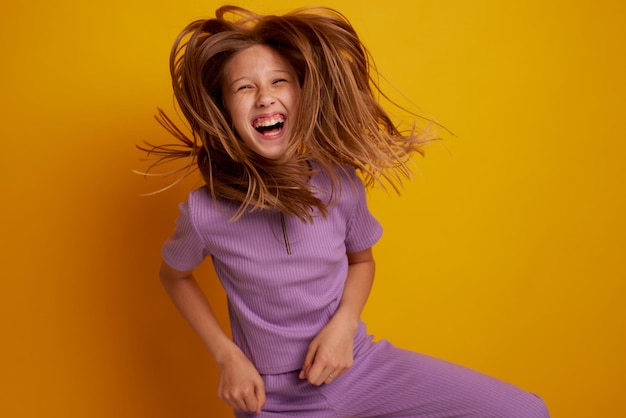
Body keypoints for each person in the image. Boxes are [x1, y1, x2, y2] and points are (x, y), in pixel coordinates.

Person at [142, 5, 550, 417]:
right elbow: (173, 276)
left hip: (358, 367)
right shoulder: (205, 211)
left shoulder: (340, 183)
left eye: (279, 81)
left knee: (525, 412)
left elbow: (362, 260)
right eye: (244, 87)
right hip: (271, 400)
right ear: (224, 110)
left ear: (301, 95)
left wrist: (345, 324)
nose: (265, 96)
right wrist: (226, 356)